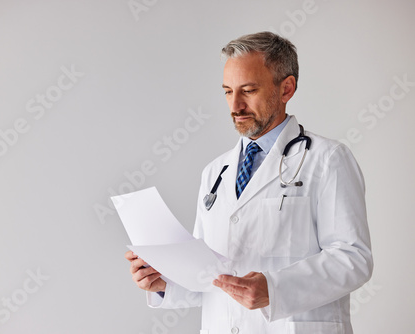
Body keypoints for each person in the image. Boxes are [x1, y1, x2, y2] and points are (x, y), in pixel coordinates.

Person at [125, 31, 373, 334]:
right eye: (228, 91)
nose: (235, 105)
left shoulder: (327, 159)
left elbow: (353, 258)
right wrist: (165, 282)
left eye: (249, 90)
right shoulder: (215, 172)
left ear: (286, 89)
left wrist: (276, 288)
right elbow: (208, 277)